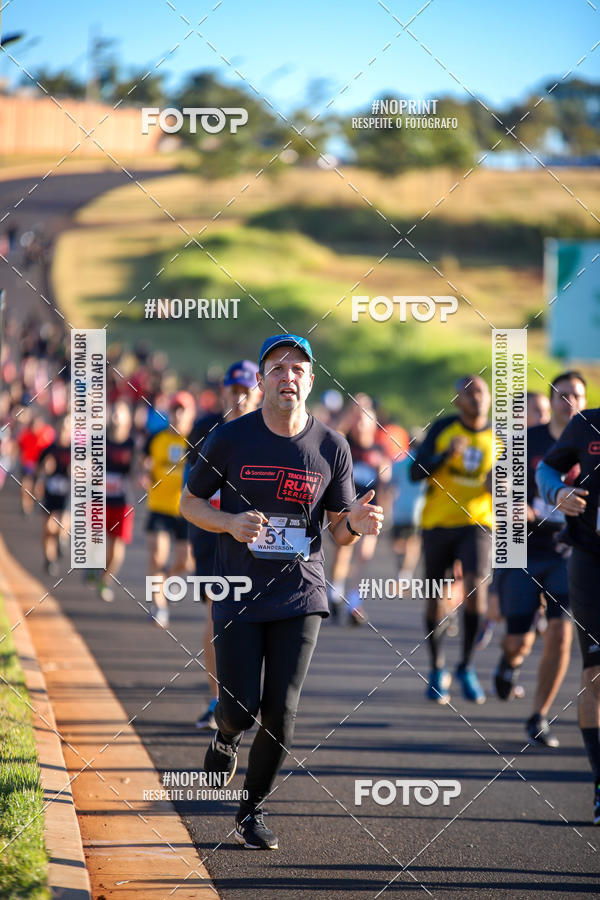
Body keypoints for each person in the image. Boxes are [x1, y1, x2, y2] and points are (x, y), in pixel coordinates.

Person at [180, 334, 383, 850]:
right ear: (262, 380)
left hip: (302, 593)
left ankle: (252, 810)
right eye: (277, 368)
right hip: (239, 590)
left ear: (311, 381)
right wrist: (228, 523)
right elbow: (189, 503)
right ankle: (225, 735)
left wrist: (355, 523)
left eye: (298, 369)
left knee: (281, 711)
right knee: (241, 707)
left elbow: (337, 529)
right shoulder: (231, 438)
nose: (288, 377)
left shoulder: (332, 447)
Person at [494, 372, 587, 747]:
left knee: (562, 635)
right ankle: (509, 662)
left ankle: (539, 715)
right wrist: (510, 500)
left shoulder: (590, 442)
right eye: (563, 395)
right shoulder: (528, 440)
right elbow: (494, 479)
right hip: (523, 549)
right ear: (552, 401)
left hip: (568, 552)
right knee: (519, 640)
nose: (570, 402)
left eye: (577, 395)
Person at [410, 375, 495, 704]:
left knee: (477, 591)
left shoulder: (500, 436)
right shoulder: (443, 429)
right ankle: (436, 668)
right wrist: (445, 455)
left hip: (477, 523)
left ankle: (467, 666)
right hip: (438, 523)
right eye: (469, 392)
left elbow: (514, 487)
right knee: (435, 597)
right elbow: (414, 473)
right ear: (457, 399)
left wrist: (497, 487)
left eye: (482, 392)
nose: (477, 398)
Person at [187, 361, 263, 730]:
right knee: (215, 614)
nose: (240, 398)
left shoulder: (270, 430)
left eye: (247, 391)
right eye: (234, 391)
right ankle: (218, 700)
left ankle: (252, 698)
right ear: (224, 392)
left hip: (255, 536)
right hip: (210, 532)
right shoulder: (204, 428)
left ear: (258, 392)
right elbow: (194, 489)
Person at [536, 404, 600, 824]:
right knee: (596, 671)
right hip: (591, 559)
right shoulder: (585, 424)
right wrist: (557, 492)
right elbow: (545, 470)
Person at [328, 395, 391, 624]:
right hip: (345, 509)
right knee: (343, 552)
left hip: (370, 510)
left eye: (366, 420)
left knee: (364, 555)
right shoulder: (345, 445)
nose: (362, 424)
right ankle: (335, 591)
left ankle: (354, 602)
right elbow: (334, 432)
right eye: (358, 420)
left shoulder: (379, 451)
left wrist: (384, 510)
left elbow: (384, 484)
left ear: (374, 425)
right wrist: (353, 410)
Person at [143, 392, 195, 628]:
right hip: (160, 506)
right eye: (175, 409)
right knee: (157, 555)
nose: (179, 414)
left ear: (191, 414)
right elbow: (142, 462)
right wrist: (143, 474)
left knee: (186, 562)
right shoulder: (156, 439)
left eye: (183, 410)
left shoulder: (195, 442)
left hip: (185, 509)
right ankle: (159, 606)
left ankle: (167, 584)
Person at [98, 401, 136, 602]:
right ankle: (95, 569)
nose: (115, 417)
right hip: (100, 501)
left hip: (123, 502)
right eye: (113, 412)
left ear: (127, 420)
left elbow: (138, 470)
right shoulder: (100, 440)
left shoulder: (131, 444)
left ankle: (105, 580)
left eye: (119, 413)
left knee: (117, 546)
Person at [37, 416, 71, 577]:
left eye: (67, 428)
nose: (64, 431)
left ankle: (62, 540)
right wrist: (45, 468)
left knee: (63, 524)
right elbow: (39, 469)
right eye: (62, 428)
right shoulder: (50, 449)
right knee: (49, 528)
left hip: (68, 493)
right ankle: (49, 559)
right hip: (51, 492)